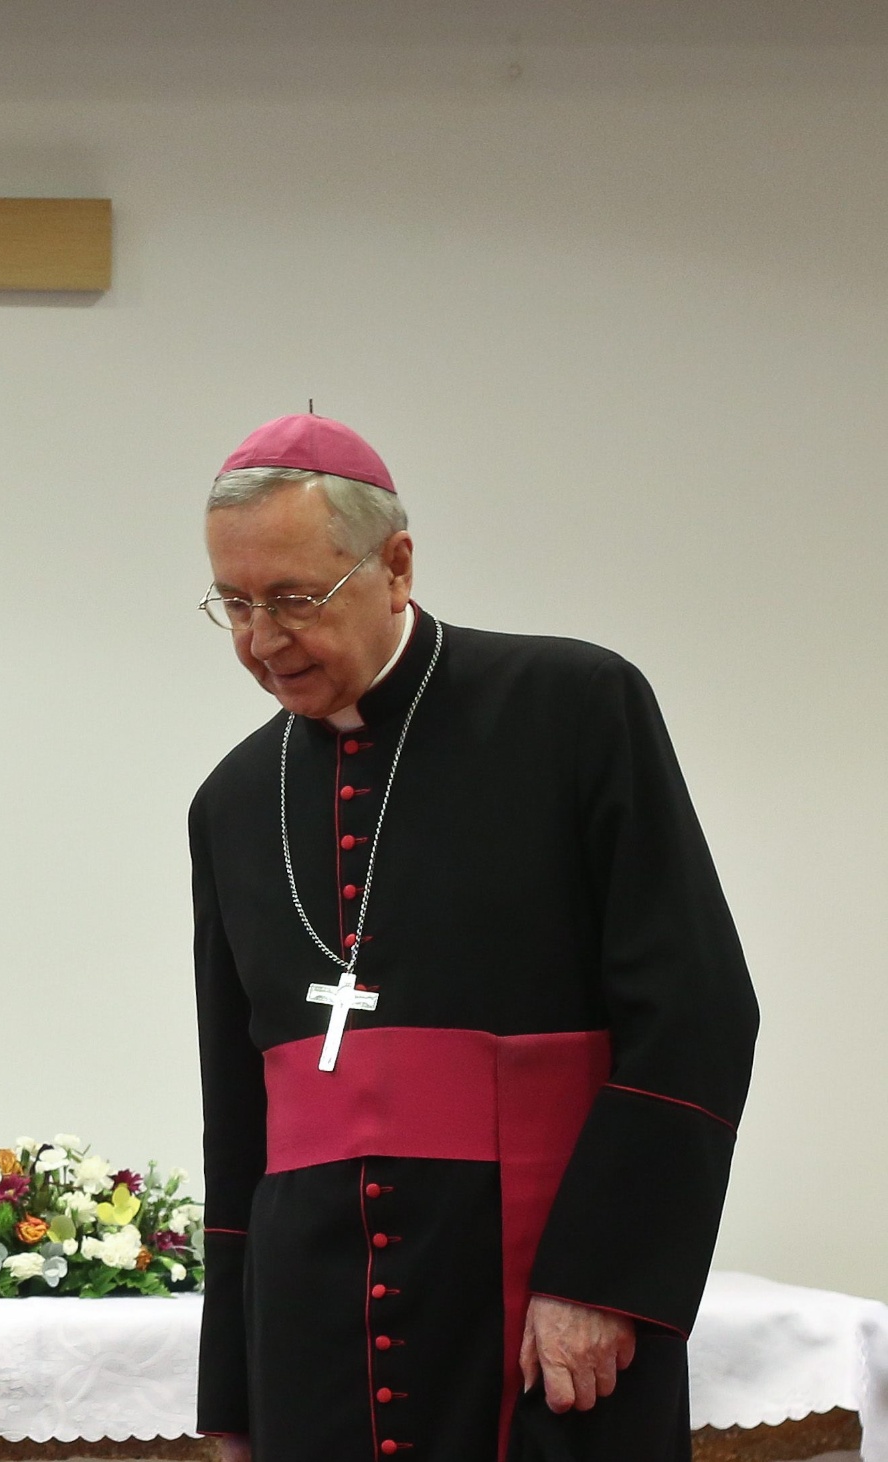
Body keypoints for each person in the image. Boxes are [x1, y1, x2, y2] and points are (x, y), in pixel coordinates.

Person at [186, 417, 757, 1461]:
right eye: (234, 603)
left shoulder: (572, 710)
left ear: (394, 565)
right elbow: (237, 1108)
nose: (261, 639)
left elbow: (695, 1010)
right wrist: (232, 1394)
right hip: (314, 1342)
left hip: (538, 1309)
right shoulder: (229, 801)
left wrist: (599, 1278)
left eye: (293, 598)